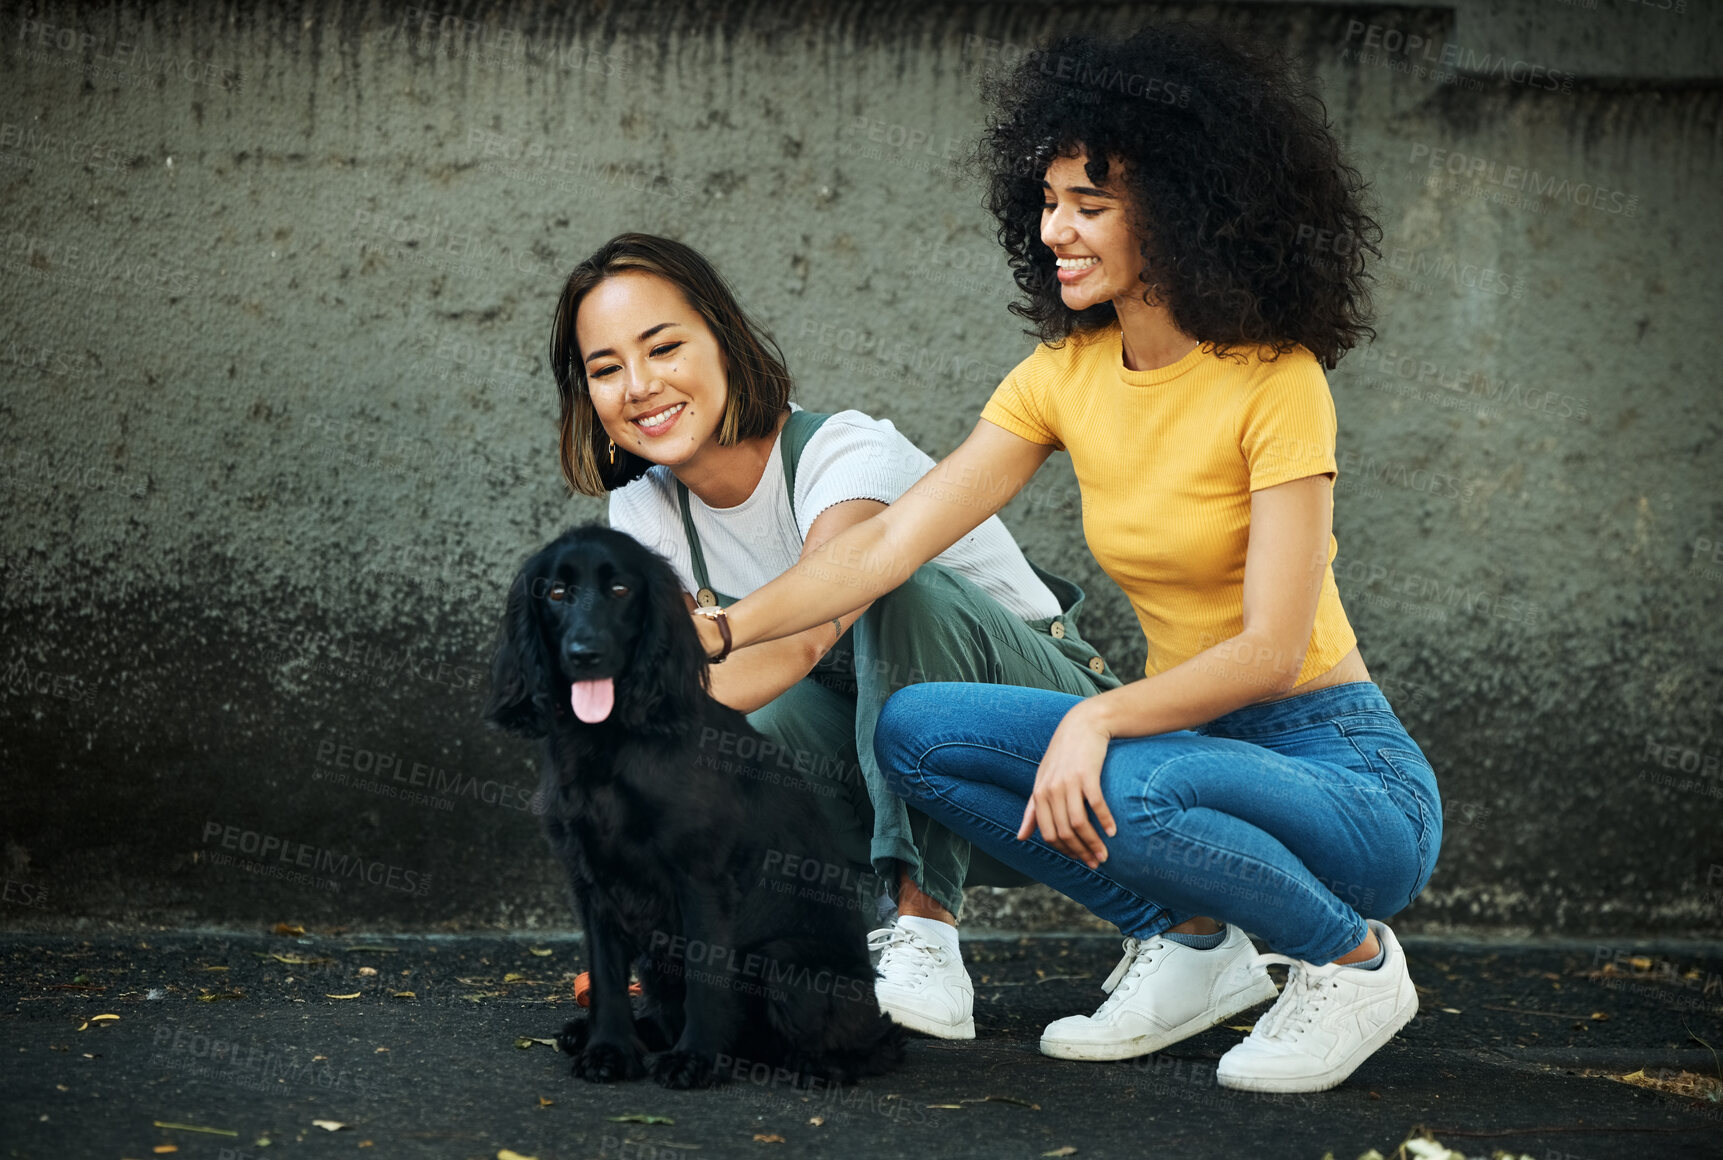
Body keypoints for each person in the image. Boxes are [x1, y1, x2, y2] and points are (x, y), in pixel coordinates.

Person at [689, 24, 1441, 1093]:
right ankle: (1189, 940)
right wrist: (717, 627)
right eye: (1047, 201)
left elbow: (1273, 650)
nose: (1055, 229)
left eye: (1090, 204)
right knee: (917, 731)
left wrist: (1093, 713)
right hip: (1186, 753)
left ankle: (1354, 961)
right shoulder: (1060, 375)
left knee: (1124, 776)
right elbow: (889, 545)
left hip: (1343, 772)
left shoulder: (1278, 382)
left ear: (1185, 210)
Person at [549, 232, 1124, 1040]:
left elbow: (797, 643)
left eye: (664, 347)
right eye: (606, 368)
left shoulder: (846, 451)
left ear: (723, 338)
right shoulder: (644, 512)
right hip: (914, 787)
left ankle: (926, 930)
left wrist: (653, 692)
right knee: (748, 732)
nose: (640, 386)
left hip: (1058, 750)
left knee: (890, 584)